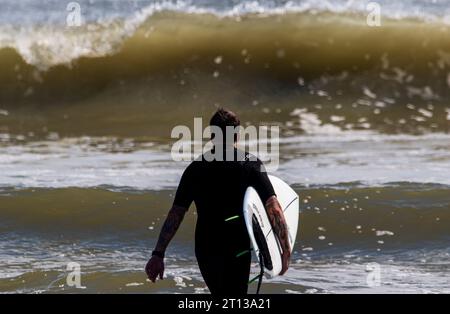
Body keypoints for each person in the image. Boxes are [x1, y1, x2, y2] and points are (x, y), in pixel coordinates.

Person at [145, 108, 291, 294]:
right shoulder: (251, 165)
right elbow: (274, 208)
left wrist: (158, 254)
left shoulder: (195, 169)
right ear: (237, 135)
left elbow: (177, 213)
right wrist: (285, 251)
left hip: (206, 247)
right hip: (236, 245)